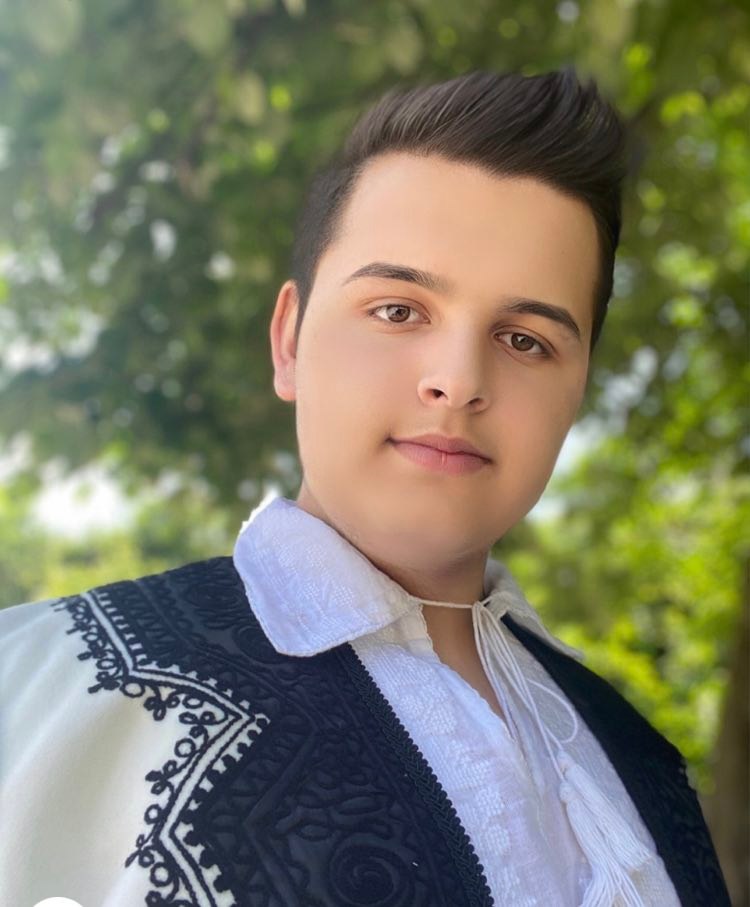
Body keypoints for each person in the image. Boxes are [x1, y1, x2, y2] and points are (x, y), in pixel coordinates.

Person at [0, 67, 729, 907]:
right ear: (288, 342)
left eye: (525, 339)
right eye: (398, 310)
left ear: (579, 389)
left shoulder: (643, 759)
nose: (458, 381)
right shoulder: (37, 691)